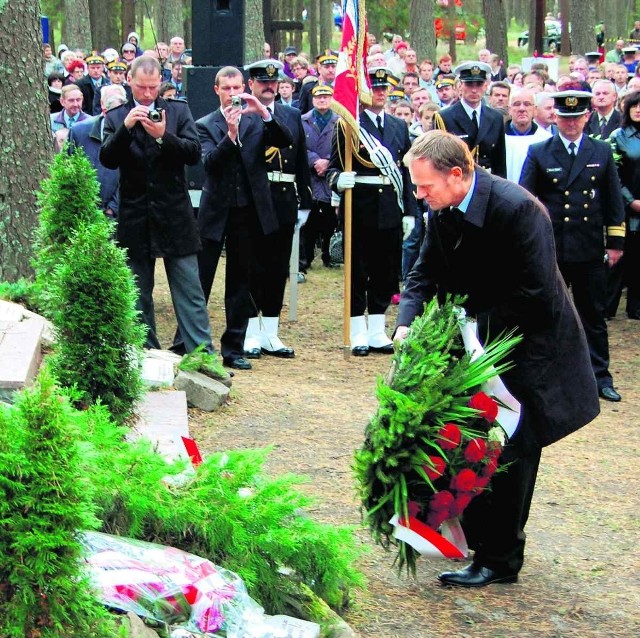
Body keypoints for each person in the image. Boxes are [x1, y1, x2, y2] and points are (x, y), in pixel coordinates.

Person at [396, 130, 600, 588]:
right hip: (480, 343)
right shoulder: (442, 209)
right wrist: (407, 322)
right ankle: (476, 536)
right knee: (474, 440)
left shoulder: (518, 209)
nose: (419, 194)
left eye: (425, 186)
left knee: (510, 449)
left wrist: (466, 328)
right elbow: (423, 272)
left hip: (529, 348)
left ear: (456, 174)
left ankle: (499, 559)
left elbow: (538, 295)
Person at [100, 56, 215, 355]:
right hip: (135, 218)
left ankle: (202, 355)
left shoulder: (177, 111)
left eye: (153, 87)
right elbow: (107, 158)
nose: (148, 94)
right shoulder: (115, 116)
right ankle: (143, 354)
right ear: (129, 81)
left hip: (175, 216)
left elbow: (193, 153)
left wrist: (164, 136)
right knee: (138, 295)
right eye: (141, 87)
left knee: (190, 292)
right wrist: (126, 127)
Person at [519, 90, 626, 402]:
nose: (570, 123)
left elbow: (613, 200)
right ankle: (548, 377)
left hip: (589, 247)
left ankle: (600, 376)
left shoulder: (601, 151)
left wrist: (616, 242)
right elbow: (528, 199)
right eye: (564, 118)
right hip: (551, 248)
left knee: (593, 315)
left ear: (587, 117)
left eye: (576, 117)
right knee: (547, 313)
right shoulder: (539, 151)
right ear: (555, 117)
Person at [191, 65, 292, 369]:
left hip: (248, 211)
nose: (233, 94)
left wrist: (262, 110)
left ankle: (233, 348)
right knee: (201, 279)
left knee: (240, 283)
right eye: (227, 89)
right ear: (217, 90)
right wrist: (230, 135)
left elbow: (284, 140)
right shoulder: (205, 124)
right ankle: (191, 344)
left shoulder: (256, 121)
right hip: (216, 210)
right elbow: (208, 163)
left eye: (237, 89)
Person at [327, 67, 418, 356]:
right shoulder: (348, 125)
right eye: (374, 88)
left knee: (386, 270)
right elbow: (332, 166)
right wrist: (337, 181)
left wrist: (410, 211)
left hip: (391, 206)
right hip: (360, 206)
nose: (380, 93)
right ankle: (357, 330)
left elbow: (406, 172)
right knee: (359, 269)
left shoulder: (398, 126)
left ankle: (378, 329)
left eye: (384, 89)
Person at [243, 59, 312, 360]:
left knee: (277, 267)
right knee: (253, 266)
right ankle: (249, 331)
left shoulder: (291, 114)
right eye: (262, 82)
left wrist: (305, 200)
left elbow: (301, 160)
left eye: (273, 82)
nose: (269, 86)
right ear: (251, 85)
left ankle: (270, 331)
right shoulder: (245, 114)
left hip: (284, 197)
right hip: (256, 198)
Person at [68, 84, 127, 220]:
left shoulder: (132, 133)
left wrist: (112, 209)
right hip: (84, 214)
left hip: (118, 215)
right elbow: (68, 169)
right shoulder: (79, 132)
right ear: (102, 107)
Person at [438, 61, 507, 177]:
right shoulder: (445, 117)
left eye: (479, 84)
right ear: (460, 85)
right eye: (469, 84)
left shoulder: (495, 118)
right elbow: (440, 161)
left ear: (485, 86)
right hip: (458, 182)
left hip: (487, 180)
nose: (474, 90)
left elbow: (499, 161)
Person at [606, 91, 640, 320]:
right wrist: (631, 201)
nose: (638, 110)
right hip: (625, 206)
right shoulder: (619, 136)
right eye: (634, 106)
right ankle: (607, 306)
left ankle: (636, 307)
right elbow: (614, 175)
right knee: (619, 258)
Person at [300, 84, 339, 271]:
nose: (322, 100)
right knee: (309, 221)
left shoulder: (340, 122)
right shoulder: (302, 121)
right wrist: (315, 160)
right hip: (310, 177)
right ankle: (305, 258)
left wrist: (328, 162)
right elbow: (298, 147)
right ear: (313, 99)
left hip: (331, 176)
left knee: (330, 221)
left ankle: (328, 254)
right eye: (318, 97)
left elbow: (344, 149)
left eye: (325, 97)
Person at [298, 50, 337, 114]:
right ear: (319, 69)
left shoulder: (344, 87)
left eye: (333, 66)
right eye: (326, 67)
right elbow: (302, 114)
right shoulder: (308, 87)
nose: (330, 70)